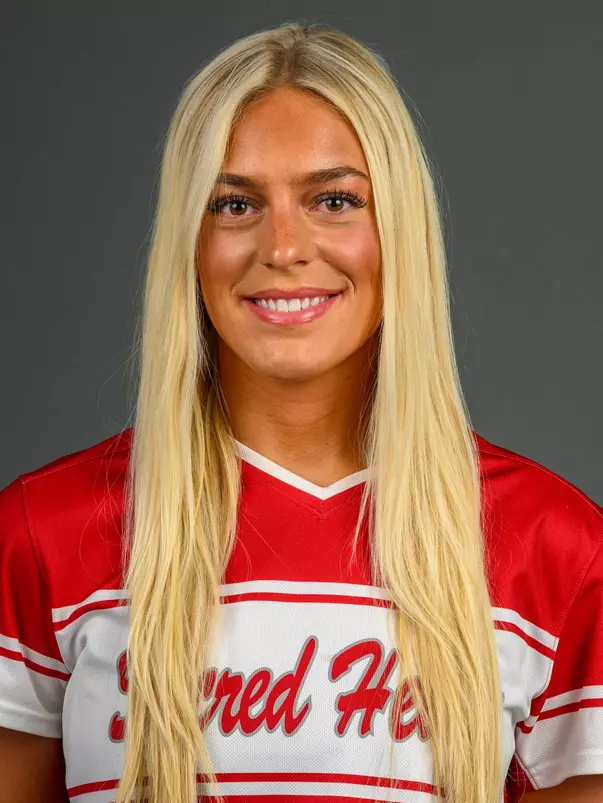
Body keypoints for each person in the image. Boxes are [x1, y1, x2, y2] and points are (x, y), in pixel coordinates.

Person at [0, 20, 602, 803]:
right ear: (188, 241)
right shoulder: (42, 532)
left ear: (399, 230)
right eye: (233, 203)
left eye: (333, 199)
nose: (283, 246)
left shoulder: (553, 543)